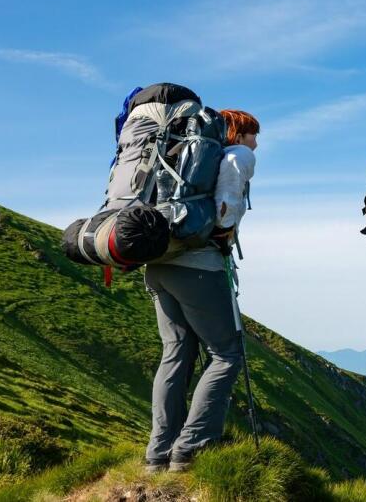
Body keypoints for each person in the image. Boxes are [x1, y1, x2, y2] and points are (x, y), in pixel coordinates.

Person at [143, 109, 259, 473]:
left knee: (175, 353)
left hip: (158, 263)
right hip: (198, 267)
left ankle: (158, 453)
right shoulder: (236, 156)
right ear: (236, 134)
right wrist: (226, 227)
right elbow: (225, 213)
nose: (256, 143)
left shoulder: (179, 153)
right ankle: (192, 448)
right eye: (252, 134)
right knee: (226, 354)